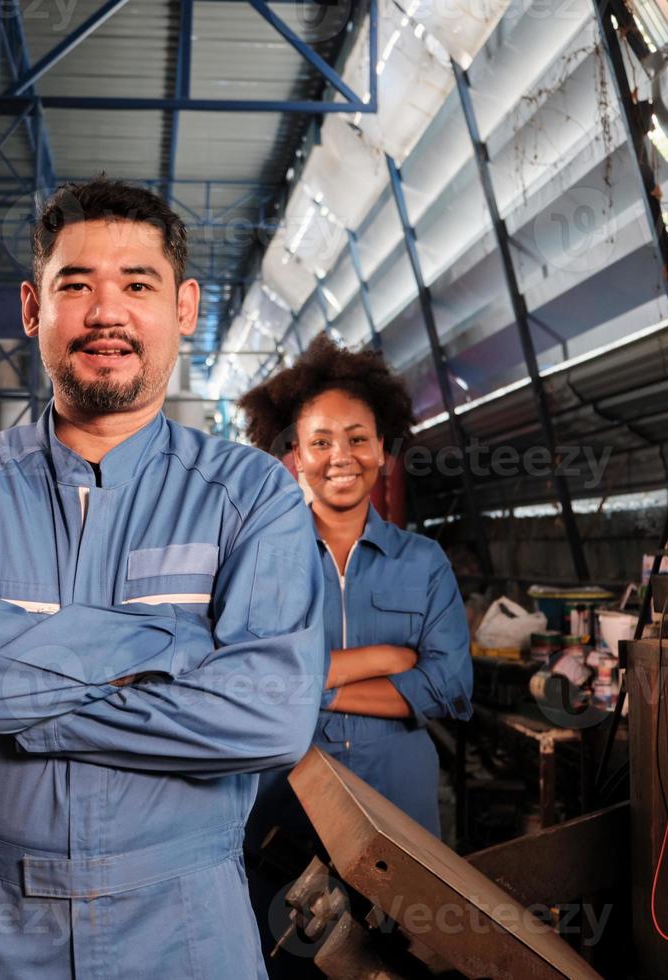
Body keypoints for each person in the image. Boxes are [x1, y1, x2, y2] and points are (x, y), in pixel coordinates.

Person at [0, 178, 326, 978]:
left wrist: (12, 703)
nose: (106, 312)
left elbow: (269, 720)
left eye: (137, 285)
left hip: (185, 924)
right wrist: (171, 645)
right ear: (31, 308)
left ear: (184, 307)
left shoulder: (251, 495)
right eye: (75, 284)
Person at [238, 334, 473, 974]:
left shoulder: (423, 563)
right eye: (320, 441)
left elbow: (452, 684)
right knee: (284, 957)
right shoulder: (260, 564)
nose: (341, 456)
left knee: (399, 962)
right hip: (283, 809)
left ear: (383, 449)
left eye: (358, 438)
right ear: (293, 455)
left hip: (400, 818)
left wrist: (321, 687)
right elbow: (251, 678)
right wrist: (391, 658)